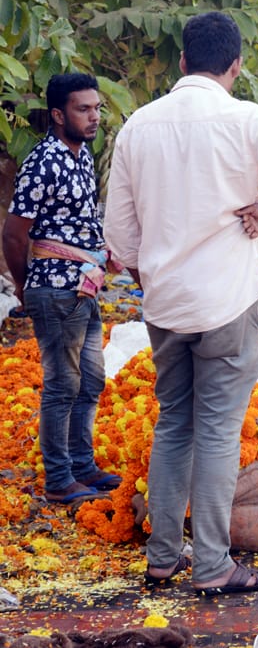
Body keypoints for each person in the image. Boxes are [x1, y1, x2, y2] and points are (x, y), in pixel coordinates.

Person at [105, 11, 258, 595]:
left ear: (183, 60)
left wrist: (156, 279)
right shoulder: (246, 119)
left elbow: (122, 240)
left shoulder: (138, 126)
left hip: (165, 305)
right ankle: (211, 565)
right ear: (235, 65)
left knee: (173, 425)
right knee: (215, 432)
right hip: (228, 301)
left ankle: (162, 558)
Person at [2, 73, 121, 505]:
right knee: (62, 384)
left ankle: (82, 466)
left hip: (84, 286)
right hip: (53, 288)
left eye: (96, 108)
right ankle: (58, 479)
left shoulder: (82, 155)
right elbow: (14, 234)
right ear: (57, 114)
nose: (94, 117)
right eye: (83, 109)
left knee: (90, 380)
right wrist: (23, 285)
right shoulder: (43, 162)